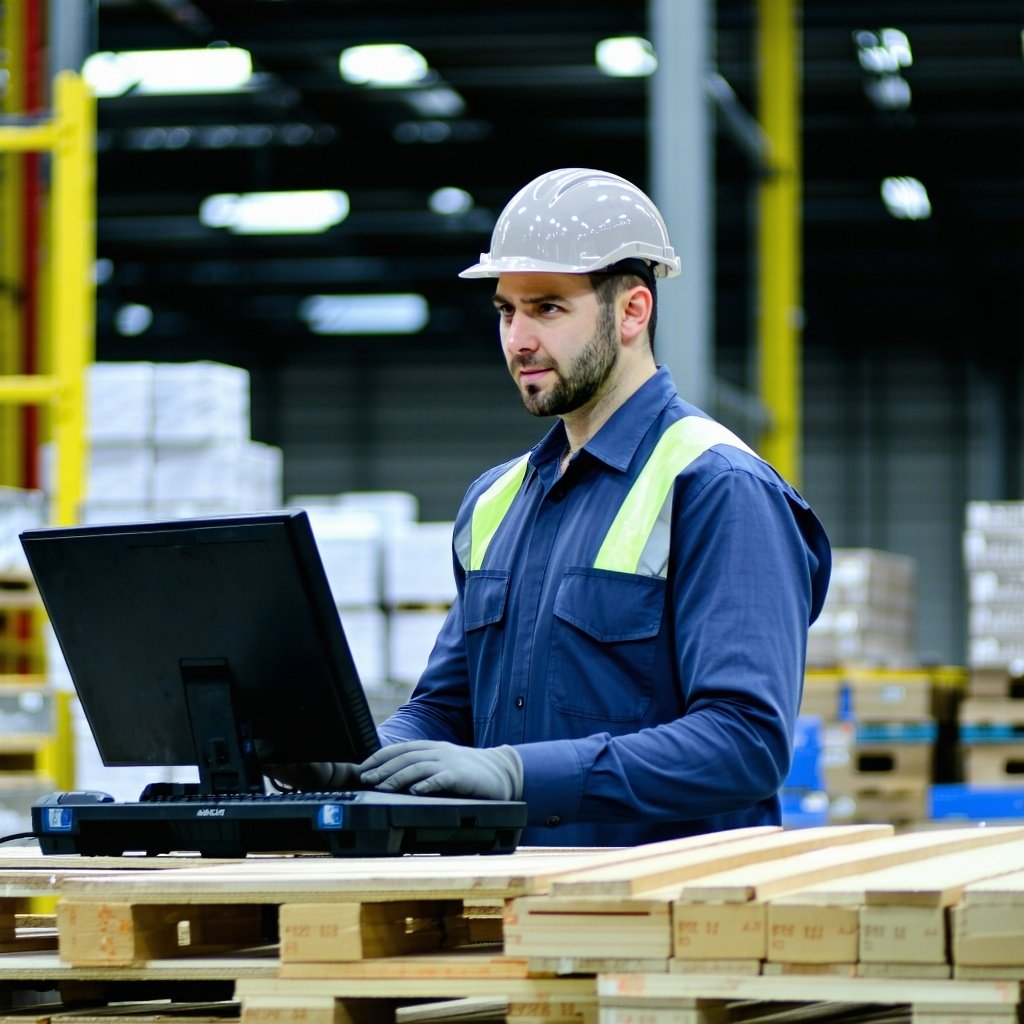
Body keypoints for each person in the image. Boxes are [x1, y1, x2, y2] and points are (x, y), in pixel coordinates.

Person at [279, 167, 831, 848]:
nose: (518, 339)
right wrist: (354, 760)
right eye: (506, 311)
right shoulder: (495, 502)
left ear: (632, 312)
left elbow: (744, 742)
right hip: (511, 898)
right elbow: (446, 710)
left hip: (657, 905)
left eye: (547, 308)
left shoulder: (718, 487)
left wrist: (519, 774)